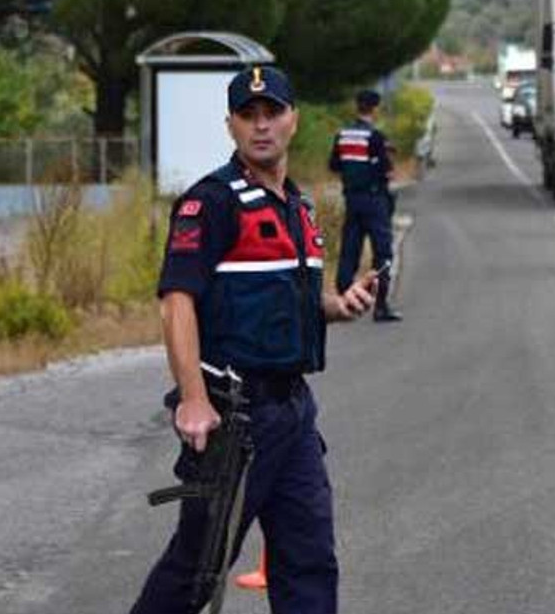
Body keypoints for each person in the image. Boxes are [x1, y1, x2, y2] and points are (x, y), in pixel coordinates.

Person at [130, 65, 377, 614]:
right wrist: (193, 398)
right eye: (249, 115)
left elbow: (289, 297)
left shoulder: (299, 206)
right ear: (231, 126)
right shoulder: (211, 201)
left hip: (293, 412)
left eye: (273, 113)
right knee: (197, 568)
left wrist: (338, 306)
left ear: (294, 120)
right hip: (236, 416)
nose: (261, 126)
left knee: (309, 561)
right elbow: (177, 302)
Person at [329, 89, 402, 322]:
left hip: (352, 198)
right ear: (375, 108)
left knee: (350, 248)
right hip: (374, 200)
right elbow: (386, 171)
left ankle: (343, 298)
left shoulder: (342, 134)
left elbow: (334, 164)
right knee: (383, 253)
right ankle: (380, 306)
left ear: (357, 106)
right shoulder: (376, 137)